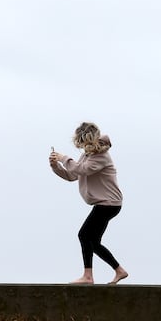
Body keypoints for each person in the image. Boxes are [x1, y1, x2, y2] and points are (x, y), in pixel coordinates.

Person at [49, 122, 129, 285]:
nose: (81, 147)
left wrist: (64, 158)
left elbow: (82, 170)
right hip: (105, 204)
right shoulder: (89, 155)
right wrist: (55, 166)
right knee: (92, 240)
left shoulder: (101, 156)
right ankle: (119, 270)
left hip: (109, 204)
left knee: (84, 235)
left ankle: (88, 276)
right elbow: (73, 175)